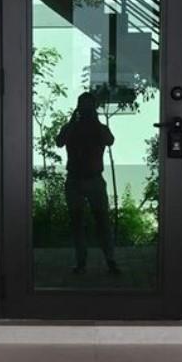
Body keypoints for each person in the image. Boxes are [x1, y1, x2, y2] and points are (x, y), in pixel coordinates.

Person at [56, 92, 120, 275]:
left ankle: (100, 261)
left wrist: (79, 122)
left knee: (94, 222)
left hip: (88, 179)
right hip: (82, 179)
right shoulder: (78, 128)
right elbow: (60, 142)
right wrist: (75, 122)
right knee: (92, 222)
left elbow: (109, 140)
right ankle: (101, 261)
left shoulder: (93, 128)